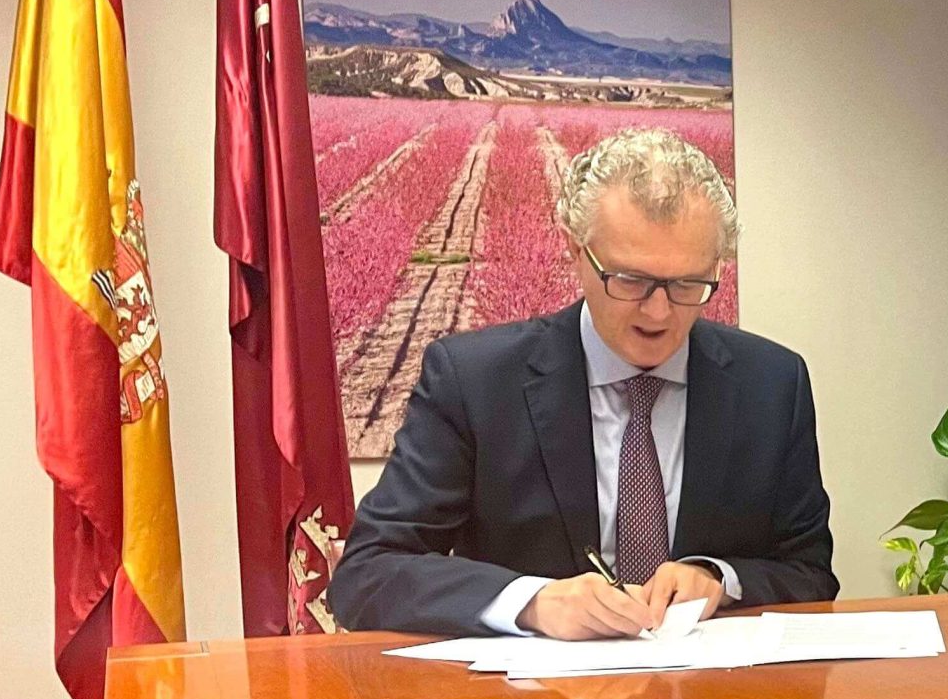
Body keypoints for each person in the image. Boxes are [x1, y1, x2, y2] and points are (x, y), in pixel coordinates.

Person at [331, 128, 835, 637]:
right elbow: (368, 572)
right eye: (631, 281)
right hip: (528, 686)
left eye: (688, 283)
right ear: (577, 251)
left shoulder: (771, 385)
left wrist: (720, 579)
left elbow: (810, 572)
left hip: (710, 684)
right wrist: (532, 602)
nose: (659, 312)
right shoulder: (475, 382)